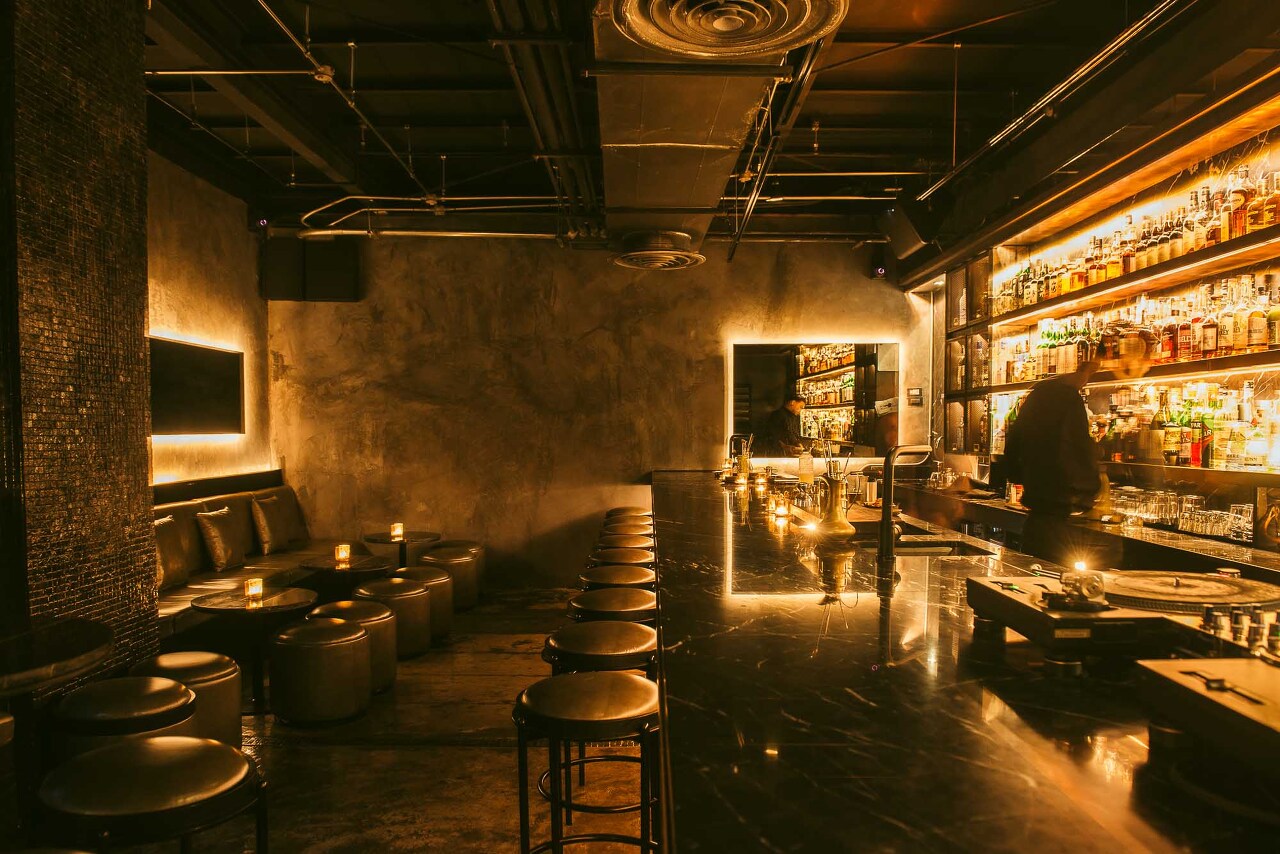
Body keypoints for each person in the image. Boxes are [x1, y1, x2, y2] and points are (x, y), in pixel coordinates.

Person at [1004, 336, 1123, 570]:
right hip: (1069, 528)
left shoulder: (1038, 395)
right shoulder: (1066, 401)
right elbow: (1077, 463)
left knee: (1035, 584)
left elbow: (1012, 462)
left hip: (1038, 525)